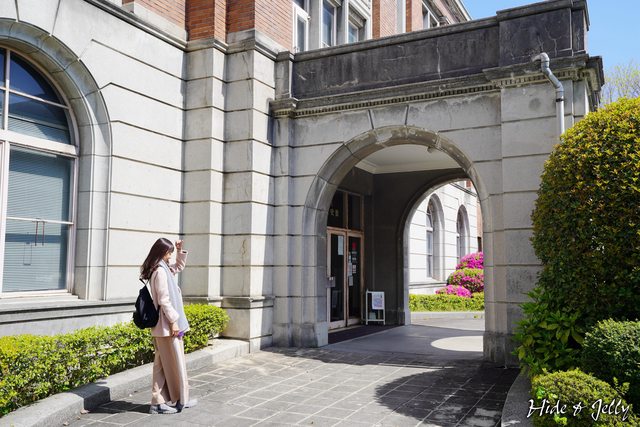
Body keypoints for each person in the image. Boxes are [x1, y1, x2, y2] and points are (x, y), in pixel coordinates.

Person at [140, 238, 197, 414]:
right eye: (169, 252)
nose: (170, 255)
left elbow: (178, 267)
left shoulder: (163, 268)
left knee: (162, 364)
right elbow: (164, 300)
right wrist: (174, 322)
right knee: (174, 363)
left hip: (164, 326)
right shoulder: (160, 271)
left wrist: (180, 251)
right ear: (161, 252)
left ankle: (171, 400)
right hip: (166, 326)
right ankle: (171, 401)